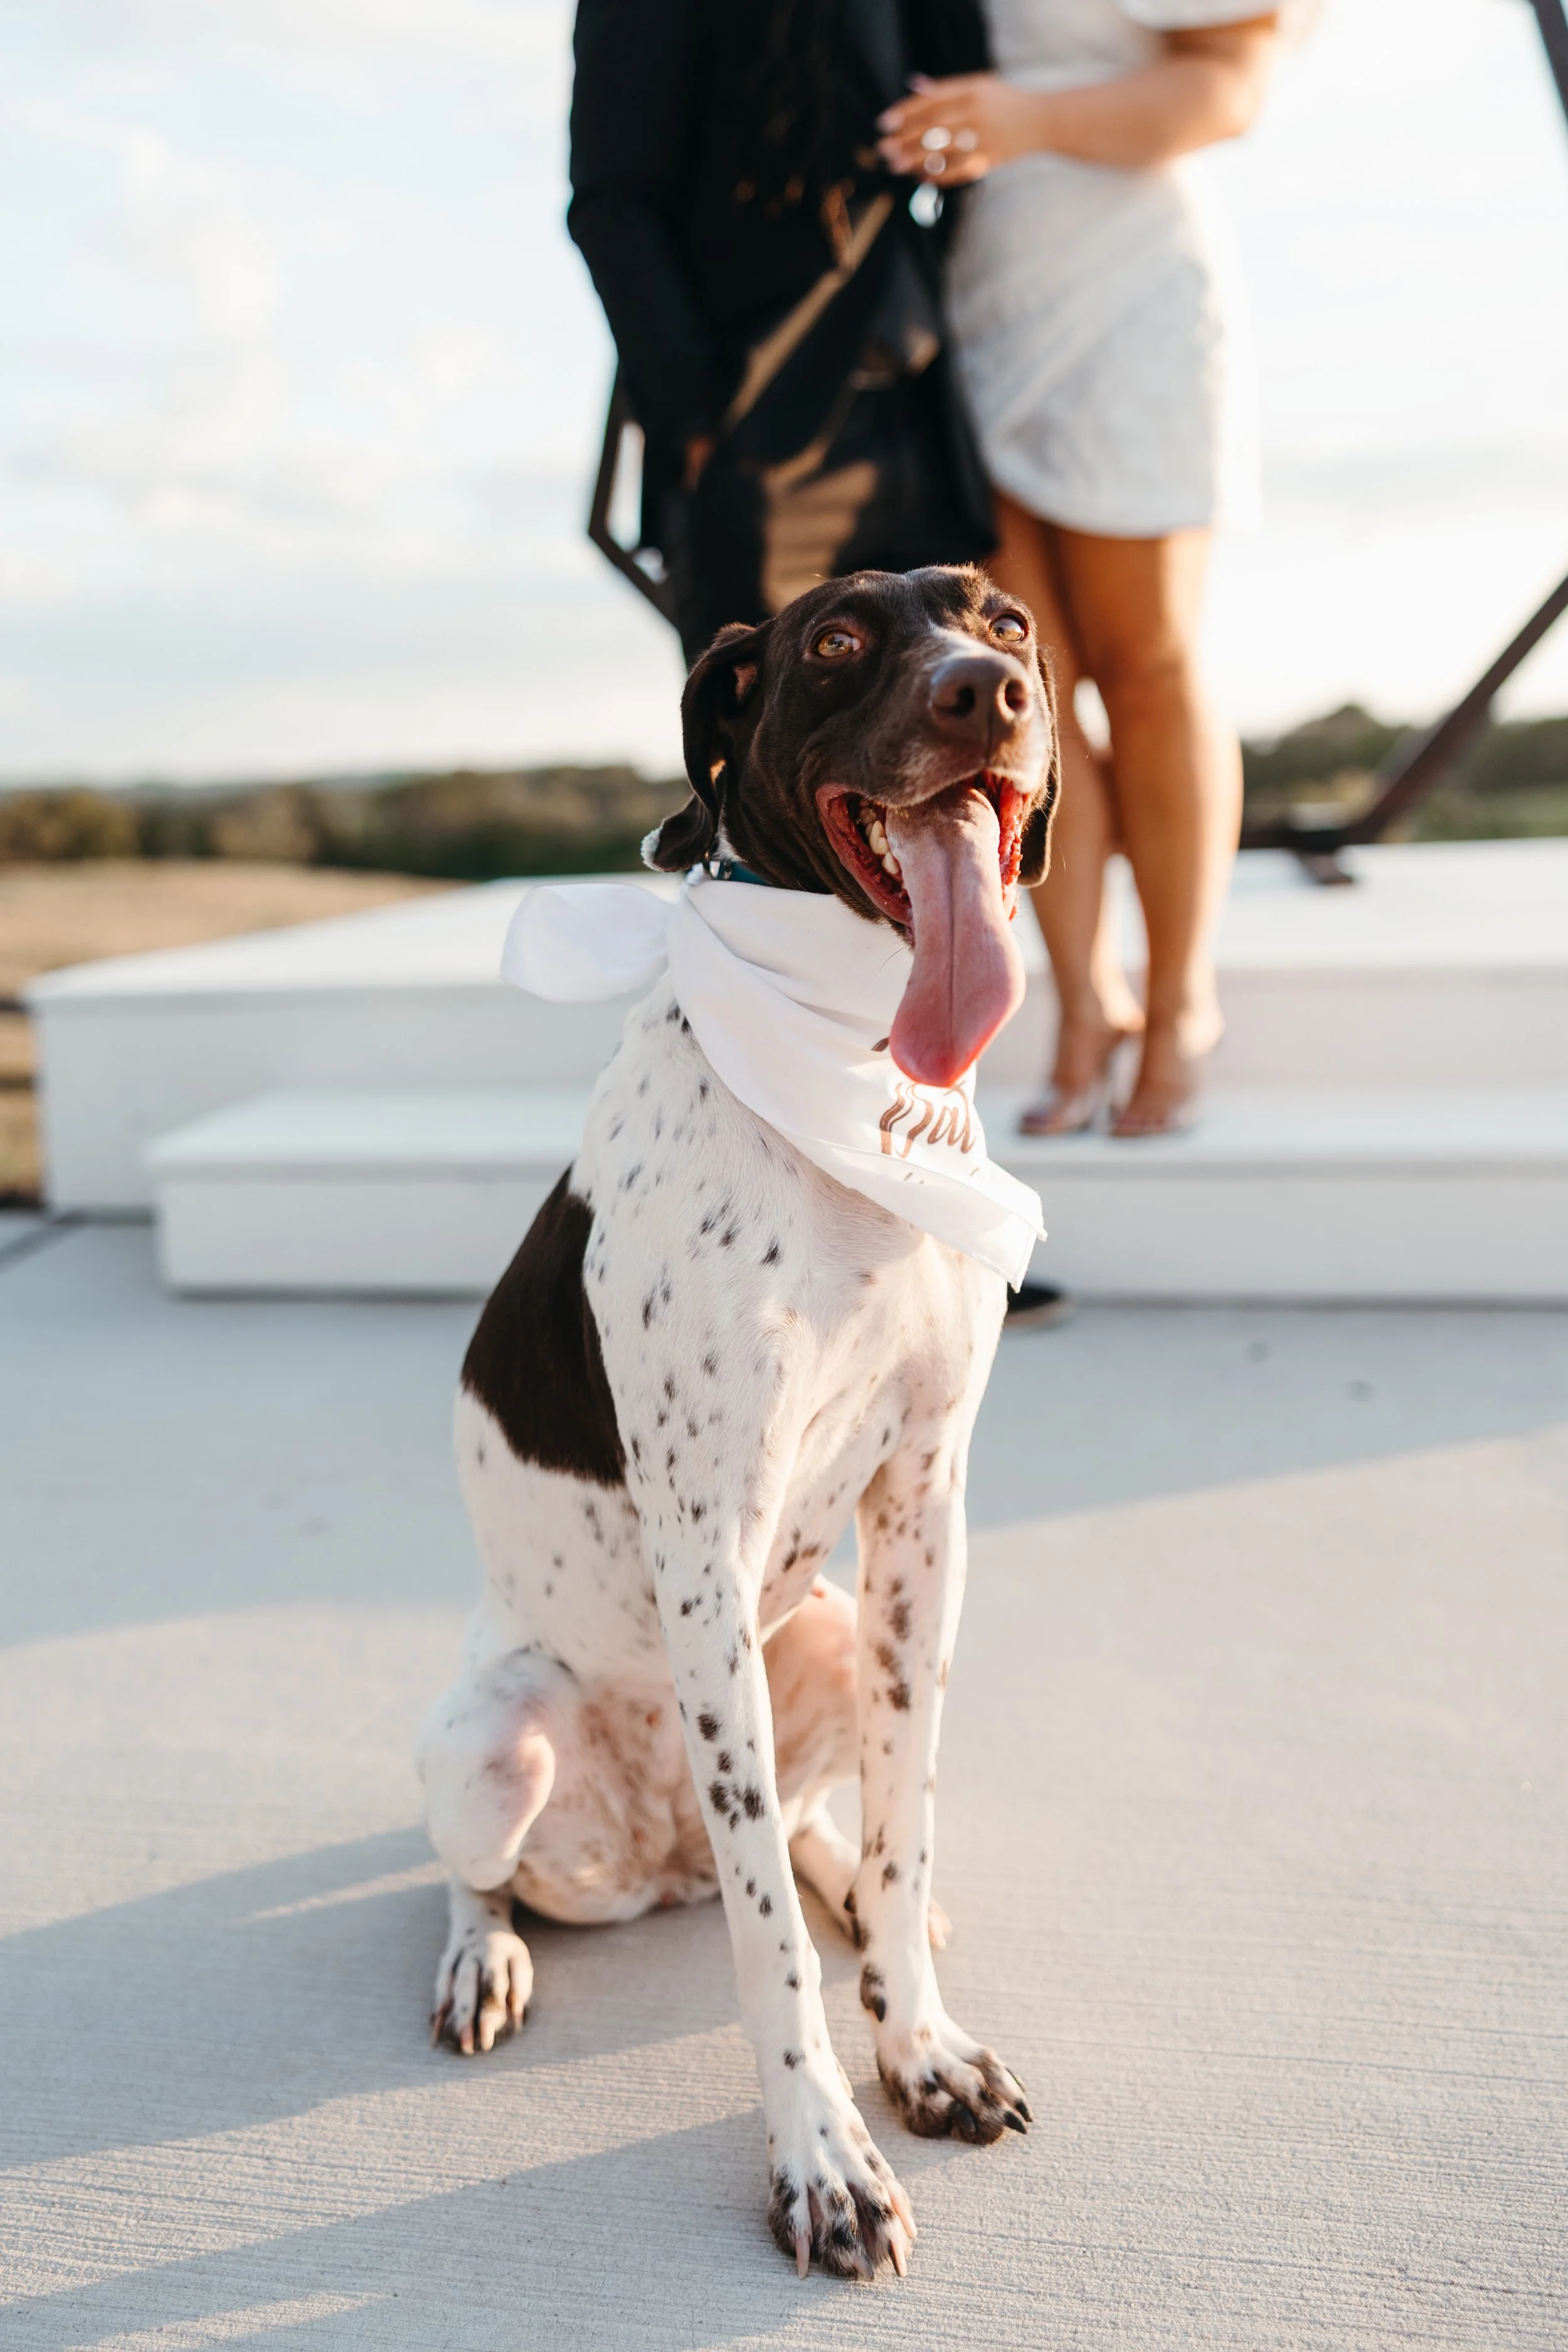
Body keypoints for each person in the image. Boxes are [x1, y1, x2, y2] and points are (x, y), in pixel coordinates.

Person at [879, 3, 1282, 1136]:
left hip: (1130, 293)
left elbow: (1230, 90)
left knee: (1147, 666)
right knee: (1031, 696)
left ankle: (1178, 1003)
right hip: (978, 307)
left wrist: (1030, 118)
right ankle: (1084, 1001)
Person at [567, 0, 997, 664]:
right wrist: (697, 424)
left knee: (954, 746)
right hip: (755, 429)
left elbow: (967, 103)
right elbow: (612, 204)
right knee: (771, 753)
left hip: (922, 414)